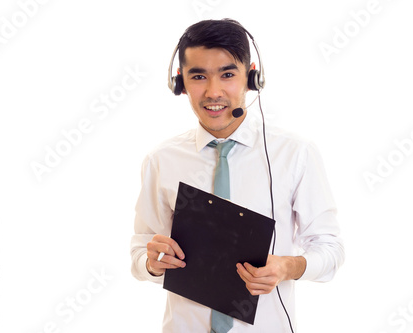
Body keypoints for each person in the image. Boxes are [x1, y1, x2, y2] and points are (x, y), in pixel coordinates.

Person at [130, 18, 344, 332]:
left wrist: (288, 266)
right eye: (198, 76)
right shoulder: (161, 160)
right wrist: (150, 261)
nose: (213, 92)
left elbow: (331, 250)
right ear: (180, 83)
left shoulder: (295, 154)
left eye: (227, 74)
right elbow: (140, 249)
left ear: (251, 77)